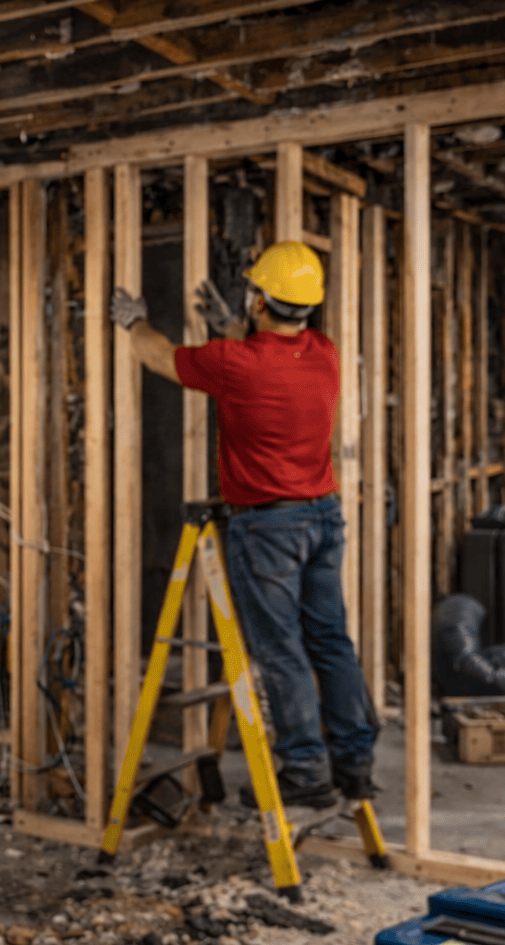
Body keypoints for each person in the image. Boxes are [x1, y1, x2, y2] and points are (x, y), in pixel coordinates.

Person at [110, 240, 378, 809]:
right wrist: (237, 327)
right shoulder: (325, 353)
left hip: (269, 530)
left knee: (280, 650)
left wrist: (135, 322)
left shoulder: (233, 364)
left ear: (260, 301)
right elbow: (273, 363)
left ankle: (305, 770)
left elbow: (160, 357)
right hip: (324, 517)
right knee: (331, 641)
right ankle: (354, 764)